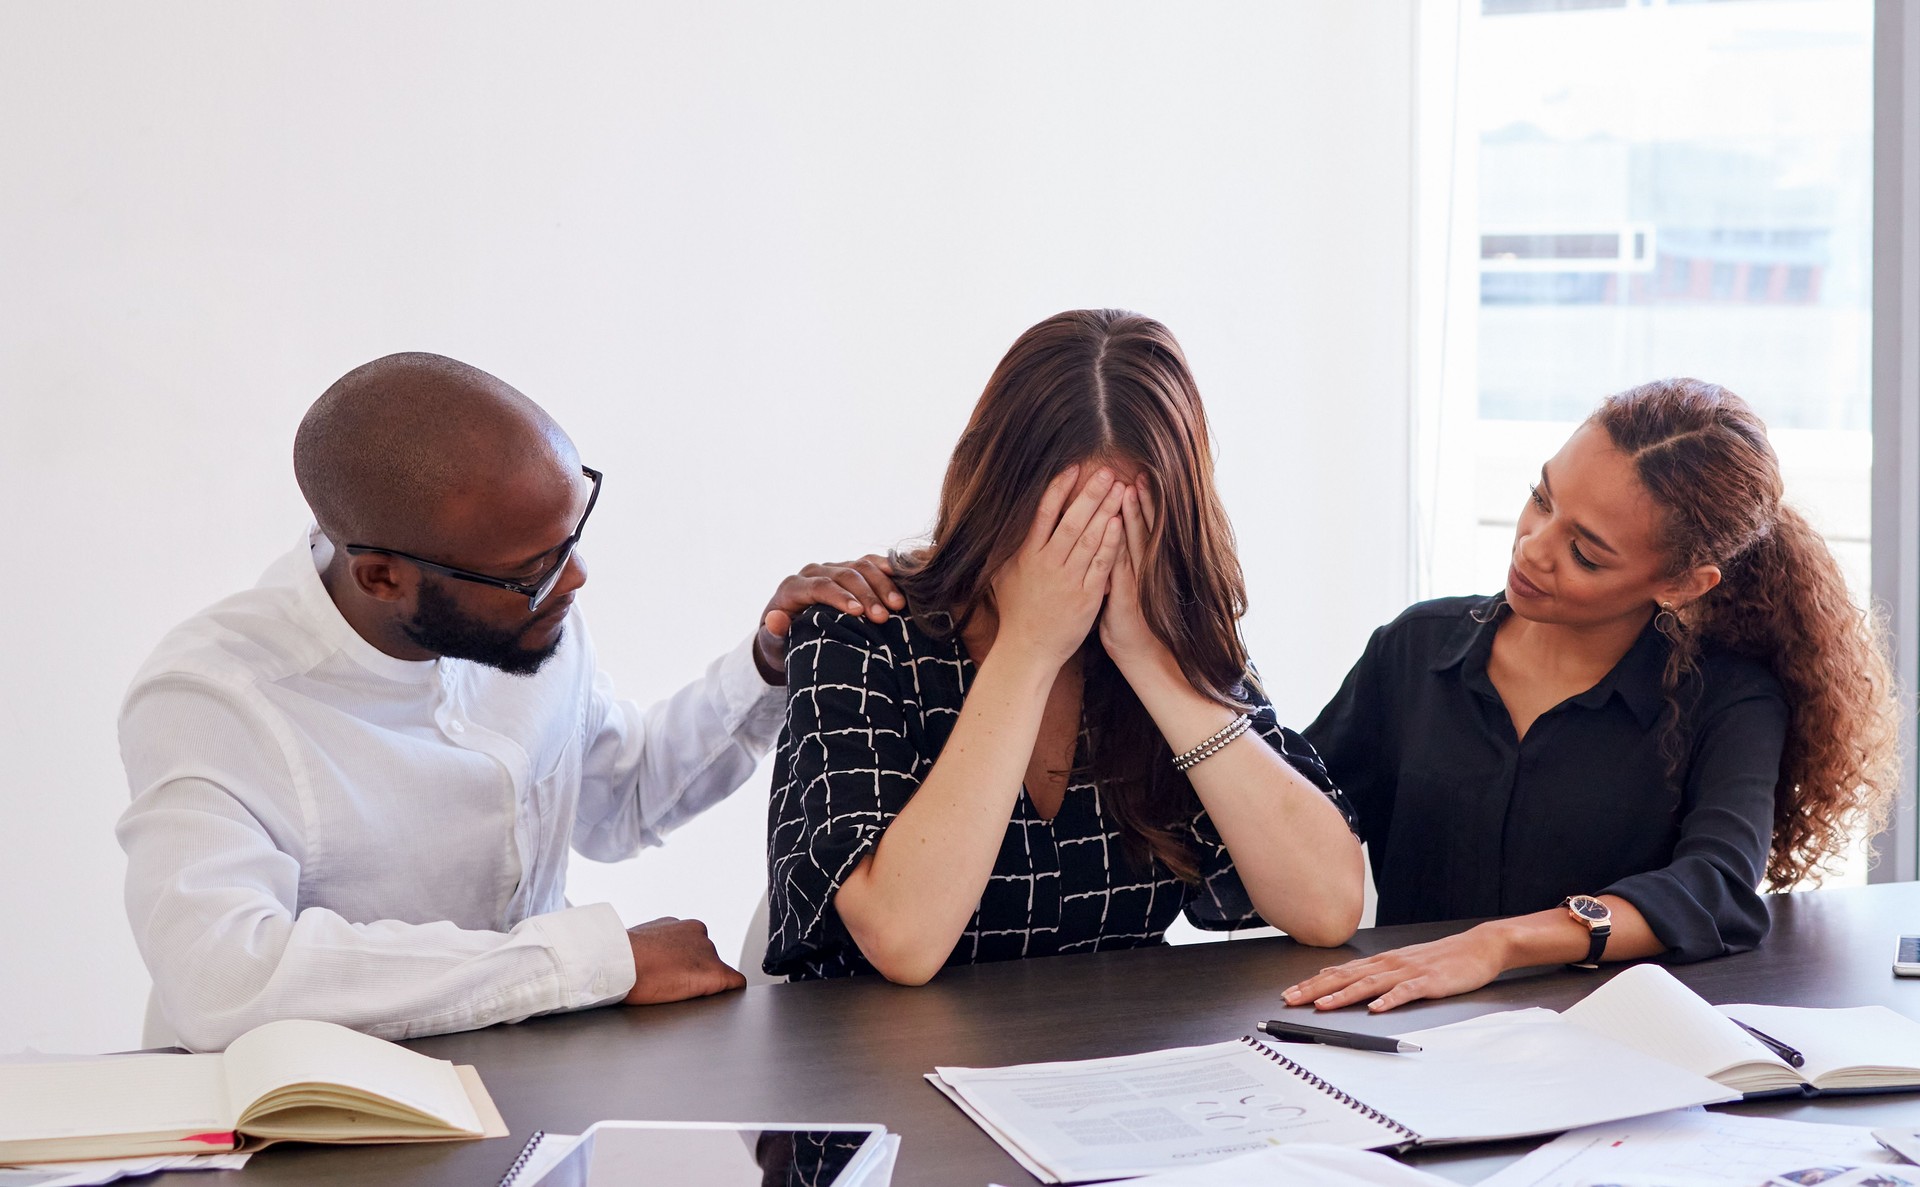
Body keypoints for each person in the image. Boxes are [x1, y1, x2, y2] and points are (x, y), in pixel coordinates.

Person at [117, 352, 905, 1051]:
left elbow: (617, 798)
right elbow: (223, 979)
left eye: (572, 535)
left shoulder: (519, 606)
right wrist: (595, 960)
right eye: (536, 567)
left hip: (523, 1080)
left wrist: (767, 665)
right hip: (311, 1125)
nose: (575, 577)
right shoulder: (212, 696)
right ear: (383, 576)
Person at [763, 310, 1365, 984]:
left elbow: (1329, 905)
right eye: (1067, 526)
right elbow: (903, 938)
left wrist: (1152, 664)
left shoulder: (1169, 633)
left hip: (1111, 1071)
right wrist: (1028, 647)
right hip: (872, 1072)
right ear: (993, 494)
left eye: (1126, 527)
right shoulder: (856, 633)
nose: (1093, 558)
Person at [1284, 378, 1900, 1015]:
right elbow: (1292, 824)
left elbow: (1716, 887)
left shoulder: (1729, 699)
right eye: (1540, 499)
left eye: (1584, 553)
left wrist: (1503, 943)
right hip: (1401, 1030)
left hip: (1609, 1045)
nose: (1533, 546)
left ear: (1682, 584)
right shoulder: (1413, 650)